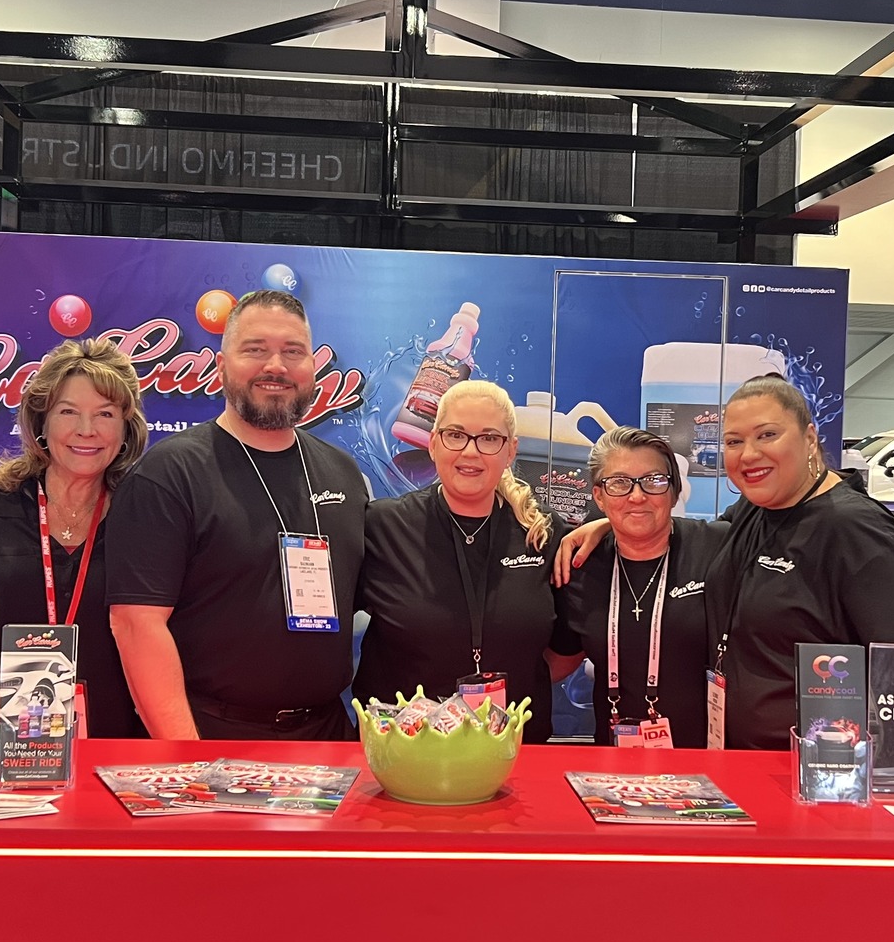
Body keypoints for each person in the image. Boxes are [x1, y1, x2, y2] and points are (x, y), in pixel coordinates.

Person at [558, 375, 894, 751]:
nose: (749, 454)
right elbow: (669, 526)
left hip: (809, 770)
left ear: (809, 438)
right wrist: (615, 522)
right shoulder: (757, 511)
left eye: (767, 435)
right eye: (734, 441)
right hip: (737, 764)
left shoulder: (858, 531)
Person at [106, 289, 366, 739]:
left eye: (293, 352)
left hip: (328, 736)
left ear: (313, 368)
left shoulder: (342, 472)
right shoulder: (169, 473)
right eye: (255, 349)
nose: (276, 366)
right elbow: (135, 625)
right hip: (211, 737)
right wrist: (186, 758)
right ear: (222, 367)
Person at [0, 338, 148, 737]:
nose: (87, 430)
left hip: (118, 742)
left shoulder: (148, 513)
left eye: (106, 414)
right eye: (68, 412)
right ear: (41, 422)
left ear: (126, 429)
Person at [354, 380, 567, 739]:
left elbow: (566, 649)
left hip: (515, 750)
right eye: (455, 435)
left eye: (489, 439)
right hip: (405, 752)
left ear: (510, 450)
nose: (470, 452)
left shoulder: (543, 533)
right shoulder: (382, 525)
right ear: (434, 443)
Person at [550, 426, 727, 748]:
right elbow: (563, 657)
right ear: (599, 496)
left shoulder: (718, 547)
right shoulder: (580, 568)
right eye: (619, 483)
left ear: (675, 492)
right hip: (614, 760)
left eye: (654, 481)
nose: (637, 495)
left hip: (707, 760)